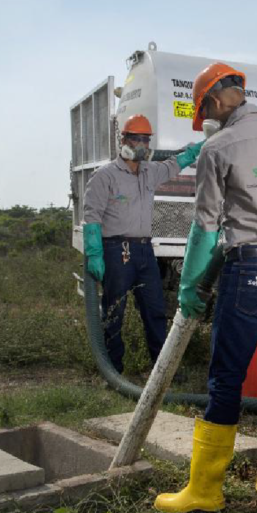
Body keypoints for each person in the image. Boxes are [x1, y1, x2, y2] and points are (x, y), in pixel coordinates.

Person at [154, 63, 257, 513]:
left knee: (225, 379)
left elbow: (205, 227)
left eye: (203, 108)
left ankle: (206, 491)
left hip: (248, 272)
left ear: (210, 102)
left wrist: (190, 285)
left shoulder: (218, 146)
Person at [83, 114, 203, 374]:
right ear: (122, 139)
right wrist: (94, 253)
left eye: (145, 140)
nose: (141, 144)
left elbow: (175, 163)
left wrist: (195, 150)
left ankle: (163, 372)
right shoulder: (105, 175)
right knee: (114, 312)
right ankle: (113, 371)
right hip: (117, 251)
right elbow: (91, 217)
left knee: (155, 310)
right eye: (135, 138)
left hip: (144, 251)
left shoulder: (151, 171)